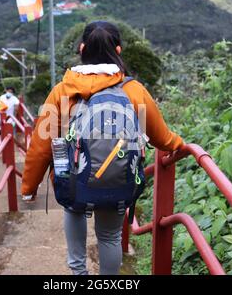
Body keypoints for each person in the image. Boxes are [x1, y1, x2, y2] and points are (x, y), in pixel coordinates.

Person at [20, 21, 184, 275]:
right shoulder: (133, 91)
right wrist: (180, 146)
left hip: (74, 179)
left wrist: (29, 187)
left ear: (81, 48)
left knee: (74, 210)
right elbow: (160, 136)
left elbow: (41, 145)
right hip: (117, 178)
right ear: (118, 51)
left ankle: (79, 274)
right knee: (110, 237)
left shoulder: (63, 92)